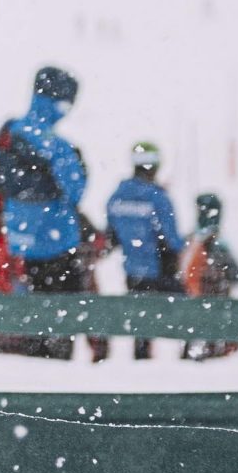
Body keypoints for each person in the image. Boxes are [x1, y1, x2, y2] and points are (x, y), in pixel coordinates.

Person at [0, 65, 89, 359]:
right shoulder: (57, 146)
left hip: (17, 243)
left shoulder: (10, 132)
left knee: (27, 328)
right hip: (56, 247)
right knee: (59, 329)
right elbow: (76, 190)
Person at [103, 140, 183, 360]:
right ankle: (189, 362)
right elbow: (171, 239)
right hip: (159, 270)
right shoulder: (158, 198)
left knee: (140, 322)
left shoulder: (118, 196)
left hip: (132, 270)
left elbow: (111, 235)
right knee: (189, 317)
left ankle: (141, 362)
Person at [181, 191, 238, 360]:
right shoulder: (214, 243)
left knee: (196, 332)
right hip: (212, 296)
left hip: (193, 297)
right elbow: (232, 269)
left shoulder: (191, 240)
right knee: (211, 331)